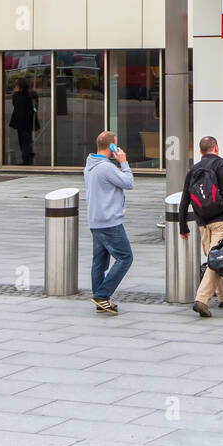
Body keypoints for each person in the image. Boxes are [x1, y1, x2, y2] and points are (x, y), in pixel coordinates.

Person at [180, 135, 223, 318]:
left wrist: (183, 226)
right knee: (216, 261)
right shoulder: (220, 165)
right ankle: (202, 299)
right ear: (216, 148)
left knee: (215, 259)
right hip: (220, 220)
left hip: (202, 223)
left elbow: (185, 198)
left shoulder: (194, 169)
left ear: (200, 151)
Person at [84, 130, 134, 315]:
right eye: (116, 144)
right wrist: (123, 162)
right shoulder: (106, 167)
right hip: (109, 222)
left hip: (96, 220)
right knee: (125, 257)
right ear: (111, 146)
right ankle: (102, 295)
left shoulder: (89, 165)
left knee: (99, 262)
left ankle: (100, 300)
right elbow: (129, 182)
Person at [10, 77, 38, 166]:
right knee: (26, 140)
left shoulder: (17, 96)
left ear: (20, 87)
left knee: (23, 141)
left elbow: (16, 104)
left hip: (21, 122)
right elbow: (35, 106)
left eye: (16, 86)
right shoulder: (30, 95)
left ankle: (26, 159)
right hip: (27, 122)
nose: (15, 88)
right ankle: (28, 155)